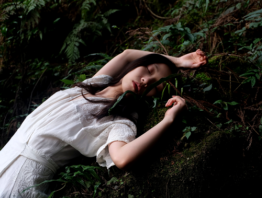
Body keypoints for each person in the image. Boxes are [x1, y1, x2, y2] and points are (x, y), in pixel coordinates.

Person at [0, 49, 207, 197]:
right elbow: (126, 54)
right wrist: (178, 61)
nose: (146, 81)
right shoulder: (94, 84)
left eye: (154, 86)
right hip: (5, 157)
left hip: (21, 181)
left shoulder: (118, 120)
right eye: (149, 70)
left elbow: (122, 158)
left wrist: (168, 120)